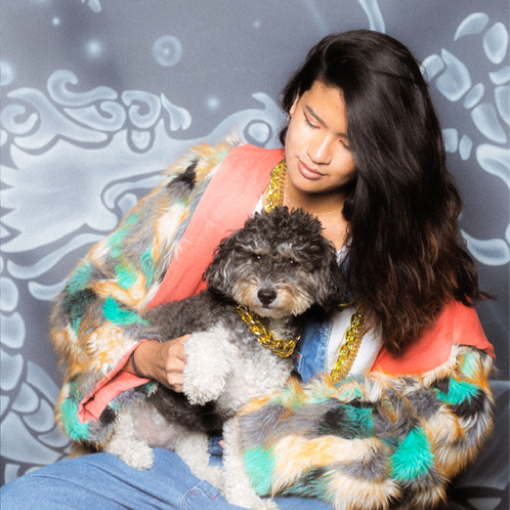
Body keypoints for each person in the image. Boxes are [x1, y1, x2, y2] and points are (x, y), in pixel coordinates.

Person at [1, 30, 495, 510]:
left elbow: (452, 412)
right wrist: (147, 357)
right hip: (173, 446)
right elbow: (87, 298)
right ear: (294, 101)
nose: (318, 153)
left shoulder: (407, 247)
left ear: (382, 152)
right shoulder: (216, 182)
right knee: (24, 501)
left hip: (296, 482)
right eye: (312, 121)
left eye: (349, 142)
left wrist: (282, 439)